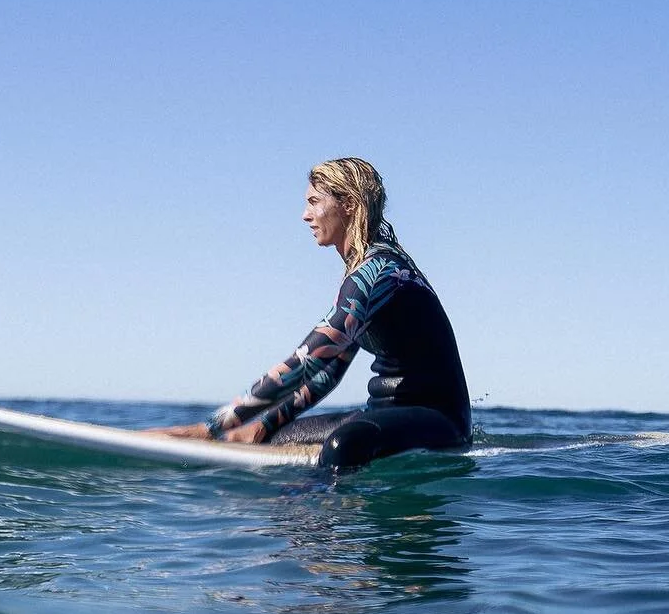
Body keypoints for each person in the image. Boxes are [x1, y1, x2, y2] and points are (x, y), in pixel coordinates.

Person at [149, 157, 471, 469]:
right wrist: (263, 425)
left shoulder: (380, 273)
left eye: (314, 202)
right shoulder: (362, 270)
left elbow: (306, 361)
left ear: (349, 205)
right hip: (385, 412)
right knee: (276, 437)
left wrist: (210, 428)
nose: (305, 215)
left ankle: (317, 519)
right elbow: (328, 372)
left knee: (342, 445)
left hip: (437, 419)